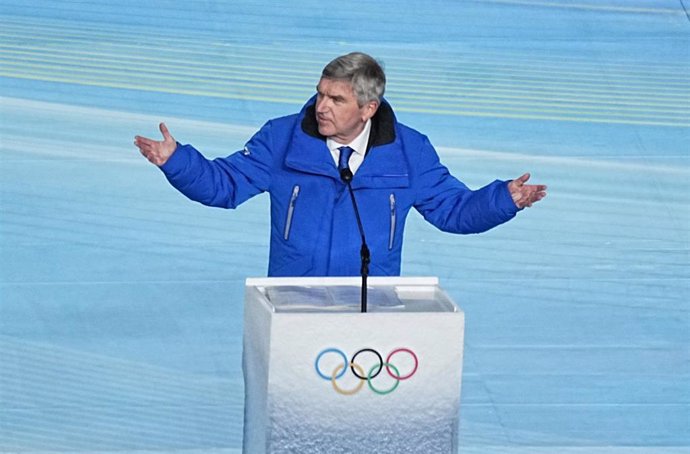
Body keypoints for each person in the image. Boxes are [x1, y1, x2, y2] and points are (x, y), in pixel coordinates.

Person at [134, 52, 546, 277]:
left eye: (336, 100)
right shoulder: (282, 139)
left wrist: (502, 200)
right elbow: (225, 185)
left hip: (371, 305)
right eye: (320, 95)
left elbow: (452, 210)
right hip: (292, 304)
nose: (321, 107)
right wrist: (178, 162)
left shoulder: (410, 152)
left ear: (369, 108)